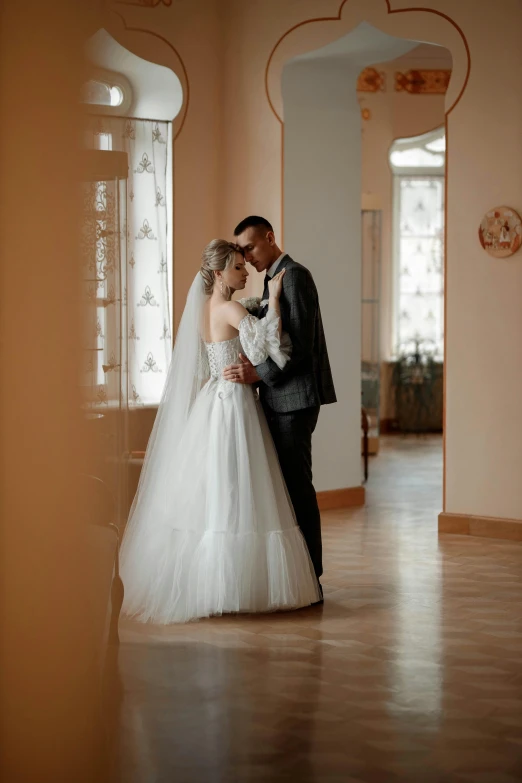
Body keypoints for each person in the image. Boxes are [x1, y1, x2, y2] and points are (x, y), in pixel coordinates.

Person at [119, 239, 321, 624]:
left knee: (217, 488)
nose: (246, 273)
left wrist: (251, 310)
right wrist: (274, 300)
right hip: (235, 403)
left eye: (245, 266)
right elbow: (270, 346)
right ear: (218, 274)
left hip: (214, 398)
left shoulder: (206, 309)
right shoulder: (229, 307)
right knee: (239, 487)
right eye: (238, 268)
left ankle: (213, 582)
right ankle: (235, 585)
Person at [224, 217, 336, 597]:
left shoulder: (295, 275)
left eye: (250, 248)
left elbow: (300, 347)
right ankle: (296, 577)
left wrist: (256, 375)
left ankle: (313, 578)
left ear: (269, 238)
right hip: (277, 400)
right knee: (284, 489)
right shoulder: (273, 278)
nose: (247, 257)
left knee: (297, 488)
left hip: (293, 402)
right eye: (241, 252)